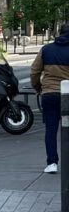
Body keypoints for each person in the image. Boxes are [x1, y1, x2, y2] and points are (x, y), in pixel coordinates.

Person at [30, 23, 69, 174]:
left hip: (49, 93)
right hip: (68, 94)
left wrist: (38, 88)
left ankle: (52, 163)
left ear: (59, 33)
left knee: (51, 129)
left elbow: (34, 72)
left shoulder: (46, 49)